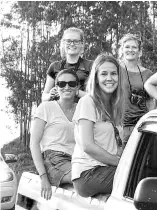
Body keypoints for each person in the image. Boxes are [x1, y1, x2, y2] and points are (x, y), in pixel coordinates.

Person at [71, 54, 124, 197]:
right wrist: (120, 163)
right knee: (136, 177)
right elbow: (88, 146)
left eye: (114, 73)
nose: (109, 78)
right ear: (96, 78)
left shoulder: (115, 106)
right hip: (87, 173)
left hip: (107, 169)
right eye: (104, 74)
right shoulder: (88, 101)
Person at [30, 69, 79, 200]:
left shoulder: (82, 108)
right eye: (62, 84)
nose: (67, 87)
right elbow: (34, 144)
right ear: (56, 87)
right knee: (83, 178)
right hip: (54, 158)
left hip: (78, 158)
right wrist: (43, 177)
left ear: (77, 87)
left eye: (71, 83)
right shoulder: (46, 108)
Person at [119, 34, 154, 145]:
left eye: (134, 47)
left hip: (141, 124)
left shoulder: (147, 73)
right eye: (127, 47)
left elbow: (150, 101)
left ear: (140, 52)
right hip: (120, 125)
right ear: (121, 50)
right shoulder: (115, 69)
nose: (130, 50)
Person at [42, 27, 93, 102]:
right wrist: (50, 95)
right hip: (58, 111)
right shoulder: (54, 66)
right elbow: (44, 97)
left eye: (76, 41)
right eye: (68, 41)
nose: (72, 44)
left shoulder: (91, 66)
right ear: (63, 43)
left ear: (82, 44)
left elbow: (96, 97)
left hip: (83, 110)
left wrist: (76, 92)